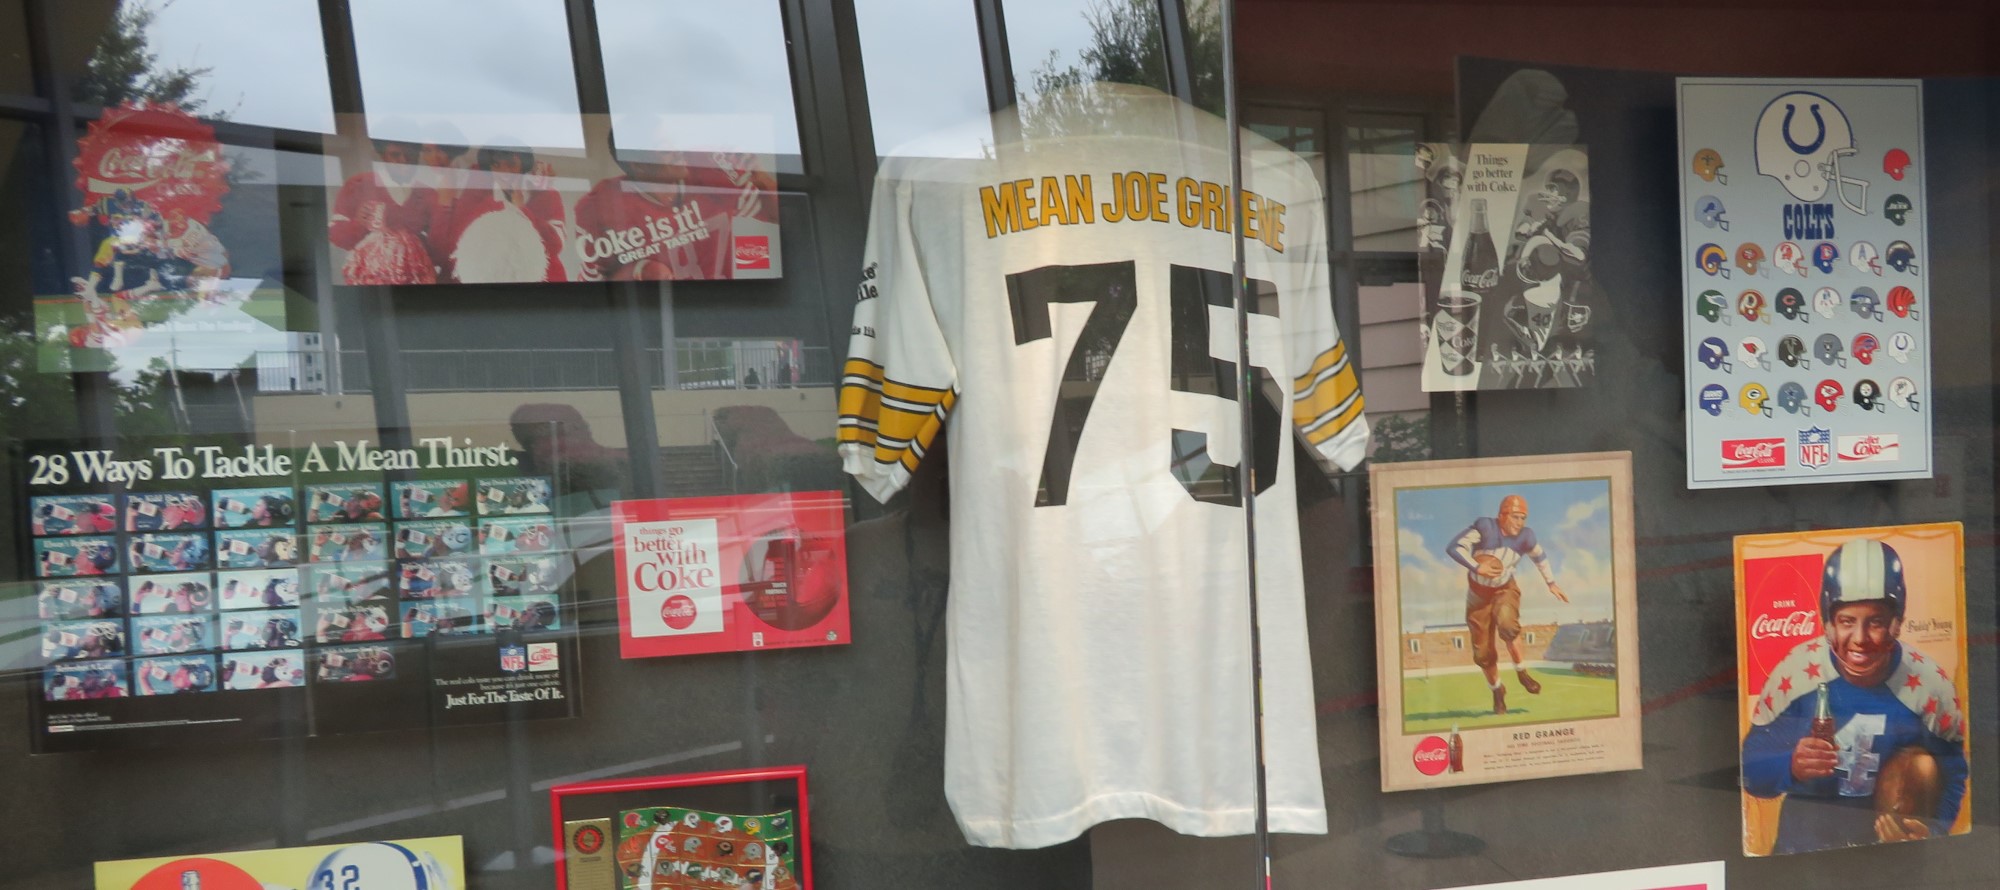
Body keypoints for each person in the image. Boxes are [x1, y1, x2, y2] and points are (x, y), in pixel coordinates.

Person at [1742, 539, 1967, 853]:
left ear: (1897, 623)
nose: (1860, 639)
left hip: (1884, 855)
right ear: (1828, 624)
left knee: (1923, 764)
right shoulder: (1795, 673)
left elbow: (1952, 774)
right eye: (1847, 621)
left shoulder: (1929, 686)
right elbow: (1750, 772)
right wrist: (1790, 765)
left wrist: (1934, 829)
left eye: (1875, 622)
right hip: (1802, 853)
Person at [1445, 494, 1569, 715]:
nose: (1519, 522)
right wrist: (1477, 567)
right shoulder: (1485, 528)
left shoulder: (1526, 536)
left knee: (1508, 624)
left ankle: (1522, 672)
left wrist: (1551, 583)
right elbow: (1454, 547)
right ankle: (1497, 691)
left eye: (1523, 518)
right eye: (1515, 517)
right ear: (1501, 515)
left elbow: (1540, 557)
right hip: (1478, 594)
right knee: (1482, 654)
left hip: (1504, 588)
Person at [430, 144, 567, 283]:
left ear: (523, 165)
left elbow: (555, 245)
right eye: (496, 165)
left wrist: (520, 209)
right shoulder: (482, 203)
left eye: (511, 164)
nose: (505, 172)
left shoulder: (544, 194)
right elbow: (453, 249)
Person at [328, 139, 439, 284]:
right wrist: (358, 224)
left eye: (410, 155)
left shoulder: (428, 193)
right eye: (395, 155)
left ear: (418, 155)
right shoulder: (359, 184)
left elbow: (437, 244)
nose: (404, 161)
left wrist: (413, 245)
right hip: (372, 280)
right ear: (382, 155)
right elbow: (336, 236)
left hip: (415, 279)